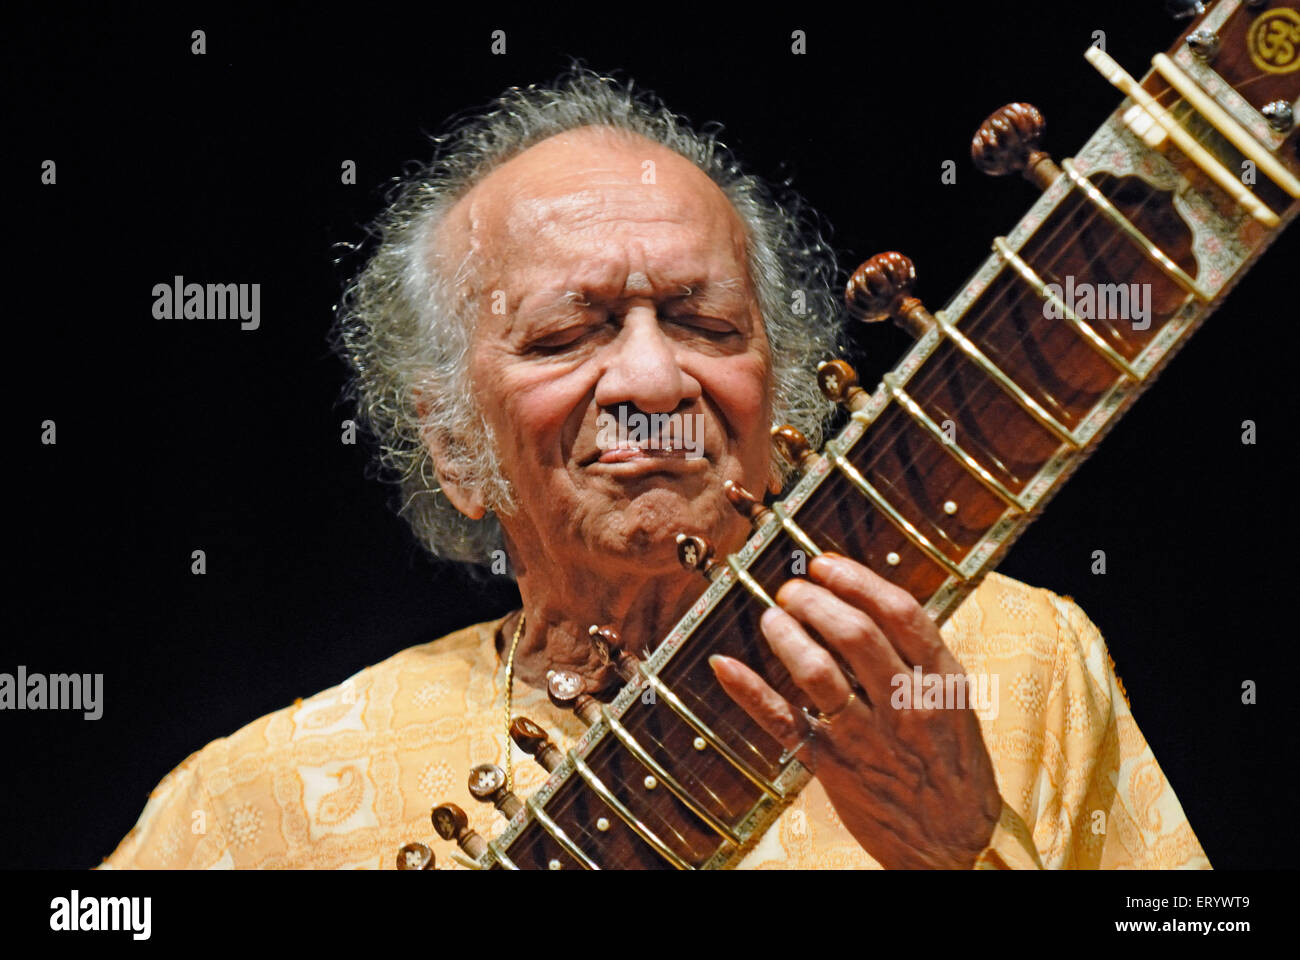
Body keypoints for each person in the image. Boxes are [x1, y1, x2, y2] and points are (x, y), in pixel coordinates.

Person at [100, 68, 1209, 870]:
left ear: (780, 393)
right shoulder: (244, 809)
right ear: (452, 445)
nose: (651, 378)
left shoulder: (1015, 662)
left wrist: (956, 857)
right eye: (563, 335)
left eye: (702, 321)